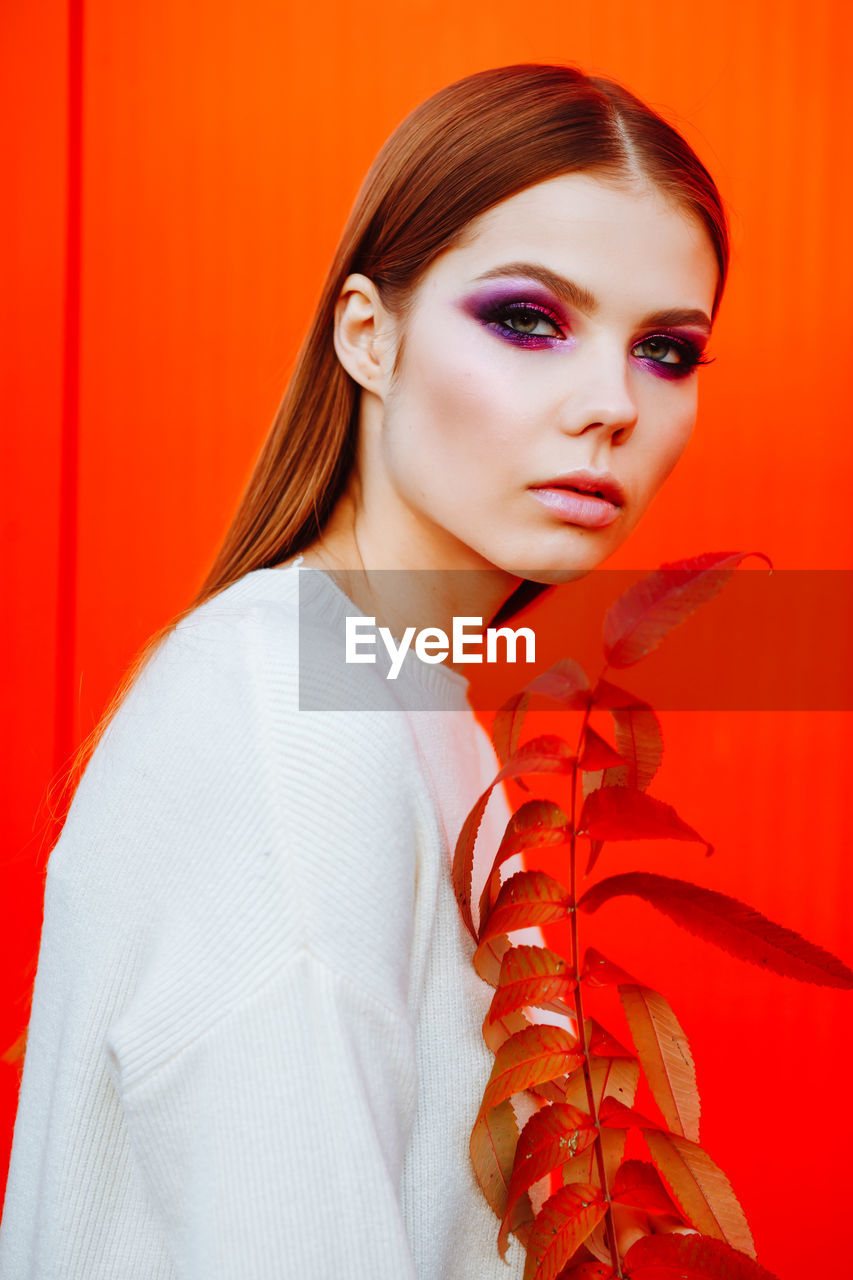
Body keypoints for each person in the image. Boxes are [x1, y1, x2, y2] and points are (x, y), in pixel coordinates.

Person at [0, 63, 726, 1278]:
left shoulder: (403, 697)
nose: (609, 403)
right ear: (368, 336)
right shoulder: (293, 715)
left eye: (666, 348)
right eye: (527, 319)